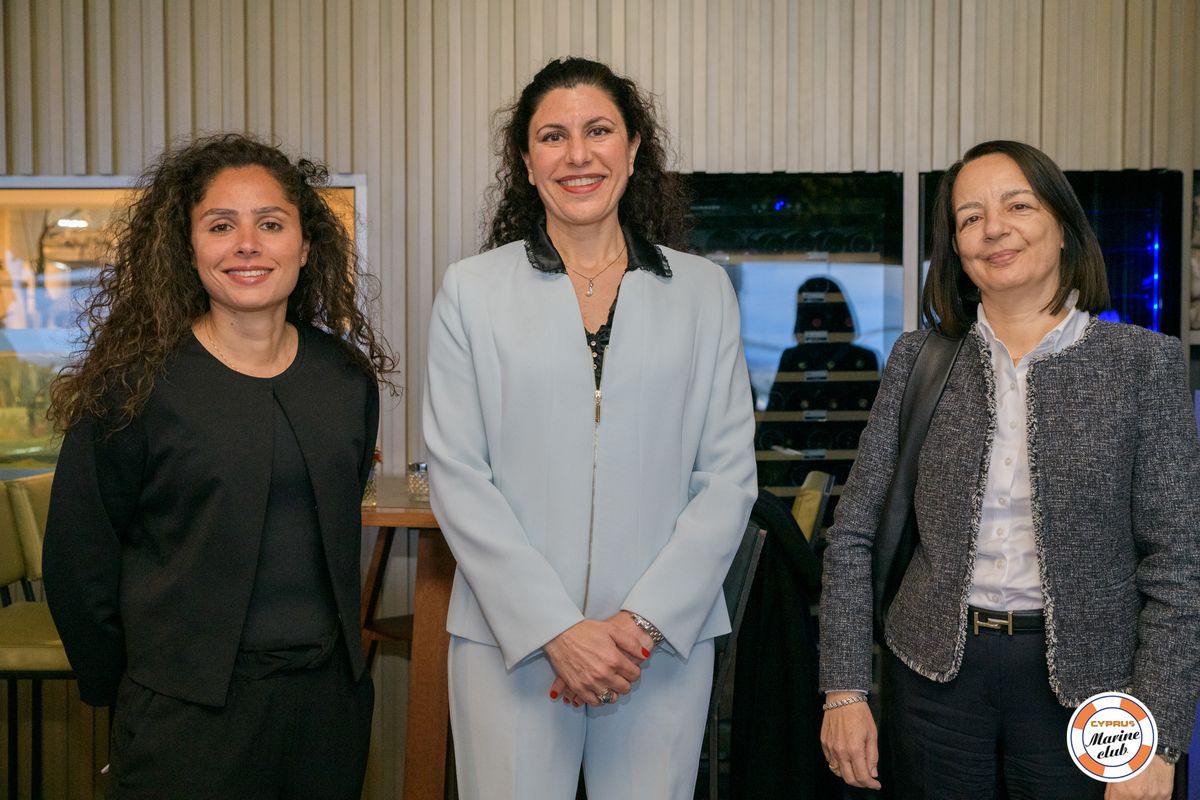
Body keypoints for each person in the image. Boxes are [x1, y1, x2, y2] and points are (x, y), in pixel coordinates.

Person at [819, 139, 1200, 799]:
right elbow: (854, 534)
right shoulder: (918, 360)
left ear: (1063, 226)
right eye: (970, 217)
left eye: (1018, 206)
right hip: (932, 677)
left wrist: (1158, 737)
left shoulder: (1144, 364)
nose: (994, 228)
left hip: (1092, 688)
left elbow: (1179, 566)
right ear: (956, 249)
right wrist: (844, 689)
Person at [423, 57, 758, 800]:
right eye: (553, 136)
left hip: (656, 650)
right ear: (526, 162)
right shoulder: (471, 292)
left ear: (633, 149)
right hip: (511, 645)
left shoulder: (703, 293)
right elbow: (457, 476)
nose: (578, 154)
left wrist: (640, 625)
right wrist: (555, 629)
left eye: (598, 131)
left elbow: (728, 477)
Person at [42, 133, 395, 799]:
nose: (247, 245)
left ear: (306, 245)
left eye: (271, 224)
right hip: (185, 719)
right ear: (188, 247)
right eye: (221, 225)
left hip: (327, 711)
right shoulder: (133, 387)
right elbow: (79, 561)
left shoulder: (345, 379)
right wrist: (129, 701)